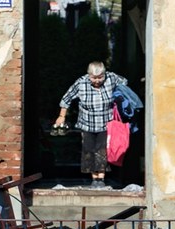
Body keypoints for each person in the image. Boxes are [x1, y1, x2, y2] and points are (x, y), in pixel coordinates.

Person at [54, 61, 128, 189]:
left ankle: (101, 178)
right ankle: (94, 178)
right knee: (89, 149)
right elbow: (67, 98)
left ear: (104, 74)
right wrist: (62, 116)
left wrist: (120, 96)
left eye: (100, 77)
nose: (97, 81)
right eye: (94, 78)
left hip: (106, 123)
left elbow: (125, 83)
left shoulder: (111, 77)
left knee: (102, 150)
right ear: (88, 75)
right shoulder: (81, 82)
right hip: (87, 123)